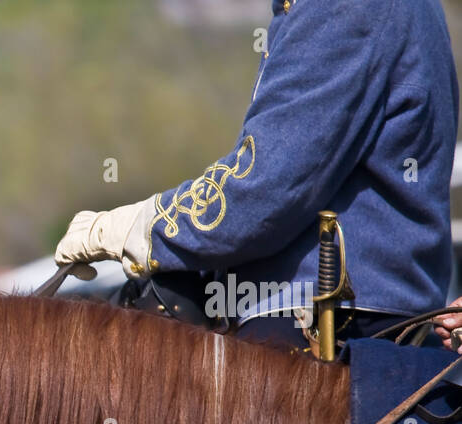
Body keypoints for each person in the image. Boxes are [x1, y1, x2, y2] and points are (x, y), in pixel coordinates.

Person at [54, 0, 458, 351]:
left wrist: (142, 228)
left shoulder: (344, 6)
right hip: (347, 322)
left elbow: (266, 190)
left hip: (323, 331)